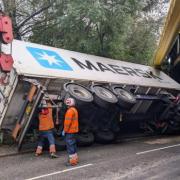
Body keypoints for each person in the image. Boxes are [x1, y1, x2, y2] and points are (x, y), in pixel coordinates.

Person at [62, 97, 79, 166]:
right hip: (74, 130)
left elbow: (67, 123)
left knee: (70, 145)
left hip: (70, 131)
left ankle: (72, 162)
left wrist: (65, 130)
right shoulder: (74, 110)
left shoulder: (69, 111)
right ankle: (75, 159)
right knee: (73, 145)